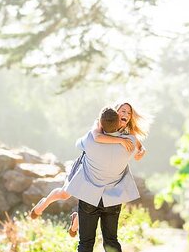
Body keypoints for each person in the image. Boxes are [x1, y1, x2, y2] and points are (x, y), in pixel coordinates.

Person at [31, 107, 141, 252]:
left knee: (85, 244)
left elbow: (83, 141)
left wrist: (100, 127)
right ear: (119, 123)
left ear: (100, 123)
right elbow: (137, 146)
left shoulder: (90, 140)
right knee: (112, 242)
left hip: (90, 197)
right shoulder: (130, 143)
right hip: (113, 199)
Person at [33, 101, 148, 237]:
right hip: (86, 165)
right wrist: (121, 141)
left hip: (104, 172)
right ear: (116, 112)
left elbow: (139, 147)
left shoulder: (128, 133)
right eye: (123, 111)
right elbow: (97, 137)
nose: (126, 114)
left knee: (93, 200)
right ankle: (43, 204)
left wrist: (142, 151)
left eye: (129, 113)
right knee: (65, 194)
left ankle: (75, 222)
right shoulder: (101, 123)